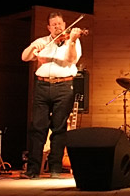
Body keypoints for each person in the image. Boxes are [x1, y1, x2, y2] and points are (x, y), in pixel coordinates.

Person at [20, 12, 84, 179]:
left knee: (59, 127)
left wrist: (72, 41)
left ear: (65, 24)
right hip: (42, 85)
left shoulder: (72, 41)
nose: (57, 26)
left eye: (60, 23)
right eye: (53, 24)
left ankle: (55, 167)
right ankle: (33, 169)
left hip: (63, 85)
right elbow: (24, 57)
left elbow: (71, 59)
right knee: (37, 127)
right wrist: (34, 49)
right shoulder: (42, 41)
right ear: (49, 27)